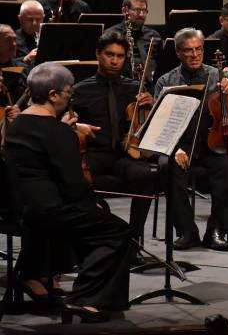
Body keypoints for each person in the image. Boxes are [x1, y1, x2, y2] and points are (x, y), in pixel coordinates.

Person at [4, 62, 134, 322]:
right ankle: (85, 299)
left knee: (93, 219)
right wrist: (93, 203)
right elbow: (73, 185)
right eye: (68, 93)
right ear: (53, 95)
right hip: (52, 211)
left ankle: (35, 274)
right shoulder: (58, 132)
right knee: (117, 231)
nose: (69, 97)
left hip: (22, 209)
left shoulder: (17, 124)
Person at [70, 32, 157, 261]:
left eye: (120, 56)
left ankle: (134, 241)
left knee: (145, 175)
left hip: (123, 154)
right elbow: (63, 121)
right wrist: (76, 124)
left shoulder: (135, 89)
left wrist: (152, 107)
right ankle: (86, 244)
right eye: (109, 54)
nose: (114, 60)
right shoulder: (79, 90)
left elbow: (146, 125)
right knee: (75, 178)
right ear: (98, 54)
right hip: (93, 154)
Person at [154, 28, 228, 251]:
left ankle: (217, 230)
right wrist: (174, 149)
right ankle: (186, 231)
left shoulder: (217, 76)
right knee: (167, 165)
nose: (194, 55)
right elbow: (160, 125)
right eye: (188, 50)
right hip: (181, 145)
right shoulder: (165, 81)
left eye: (198, 49)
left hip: (211, 142)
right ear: (178, 53)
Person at [105, 0, 162, 82]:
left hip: (149, 86)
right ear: (125, 10)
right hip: (119, 85)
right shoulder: (111, 34)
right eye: (137, 10)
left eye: (144, 11)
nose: (142, 14)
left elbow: (161, 65)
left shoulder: (154, 36)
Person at [16, 0, 44, 66]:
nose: (34, 23)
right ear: (20, 18)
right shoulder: (11, 39)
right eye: (29, 19)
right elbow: (5, 64)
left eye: (38, 19)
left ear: (43, 18)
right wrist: (24, 59)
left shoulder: (48, 38)